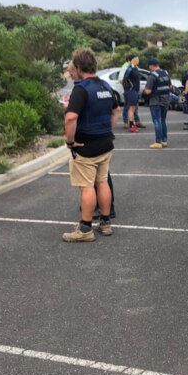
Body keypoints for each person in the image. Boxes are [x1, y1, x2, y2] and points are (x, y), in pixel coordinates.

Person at [63, 48, 120, 242]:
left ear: (78, 67)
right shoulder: (105, 86)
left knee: (86, 186)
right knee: (102, 182)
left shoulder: (81, 89)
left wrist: (70, 142)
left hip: (86, 146)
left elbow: (71, 118)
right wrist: (107, 129)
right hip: (105, 143)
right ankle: (105, 223)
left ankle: (85, 229)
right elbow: (116, 111)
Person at [143, 57, 171, 149]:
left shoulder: (152, 76)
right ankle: (164, 140)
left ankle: (158, 142)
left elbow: (148, 91)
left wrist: (143, 91)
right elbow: (170, 86)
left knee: (157, 121)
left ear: (151, 66)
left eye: (149, 66)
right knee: (163, 120)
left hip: (155, 101)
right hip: (166, 100)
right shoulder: (165, 73)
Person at [120, 54, 144, 129]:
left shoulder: (135, 68)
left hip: (135, 91)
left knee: (134, 107)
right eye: (135, 59)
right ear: (130, 60)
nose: (137, 60)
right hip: (131, 91)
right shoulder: (128, 68)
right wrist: (126, 89)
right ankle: (128, 123)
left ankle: (136, 122)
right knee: (129, 108)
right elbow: (123, 79)